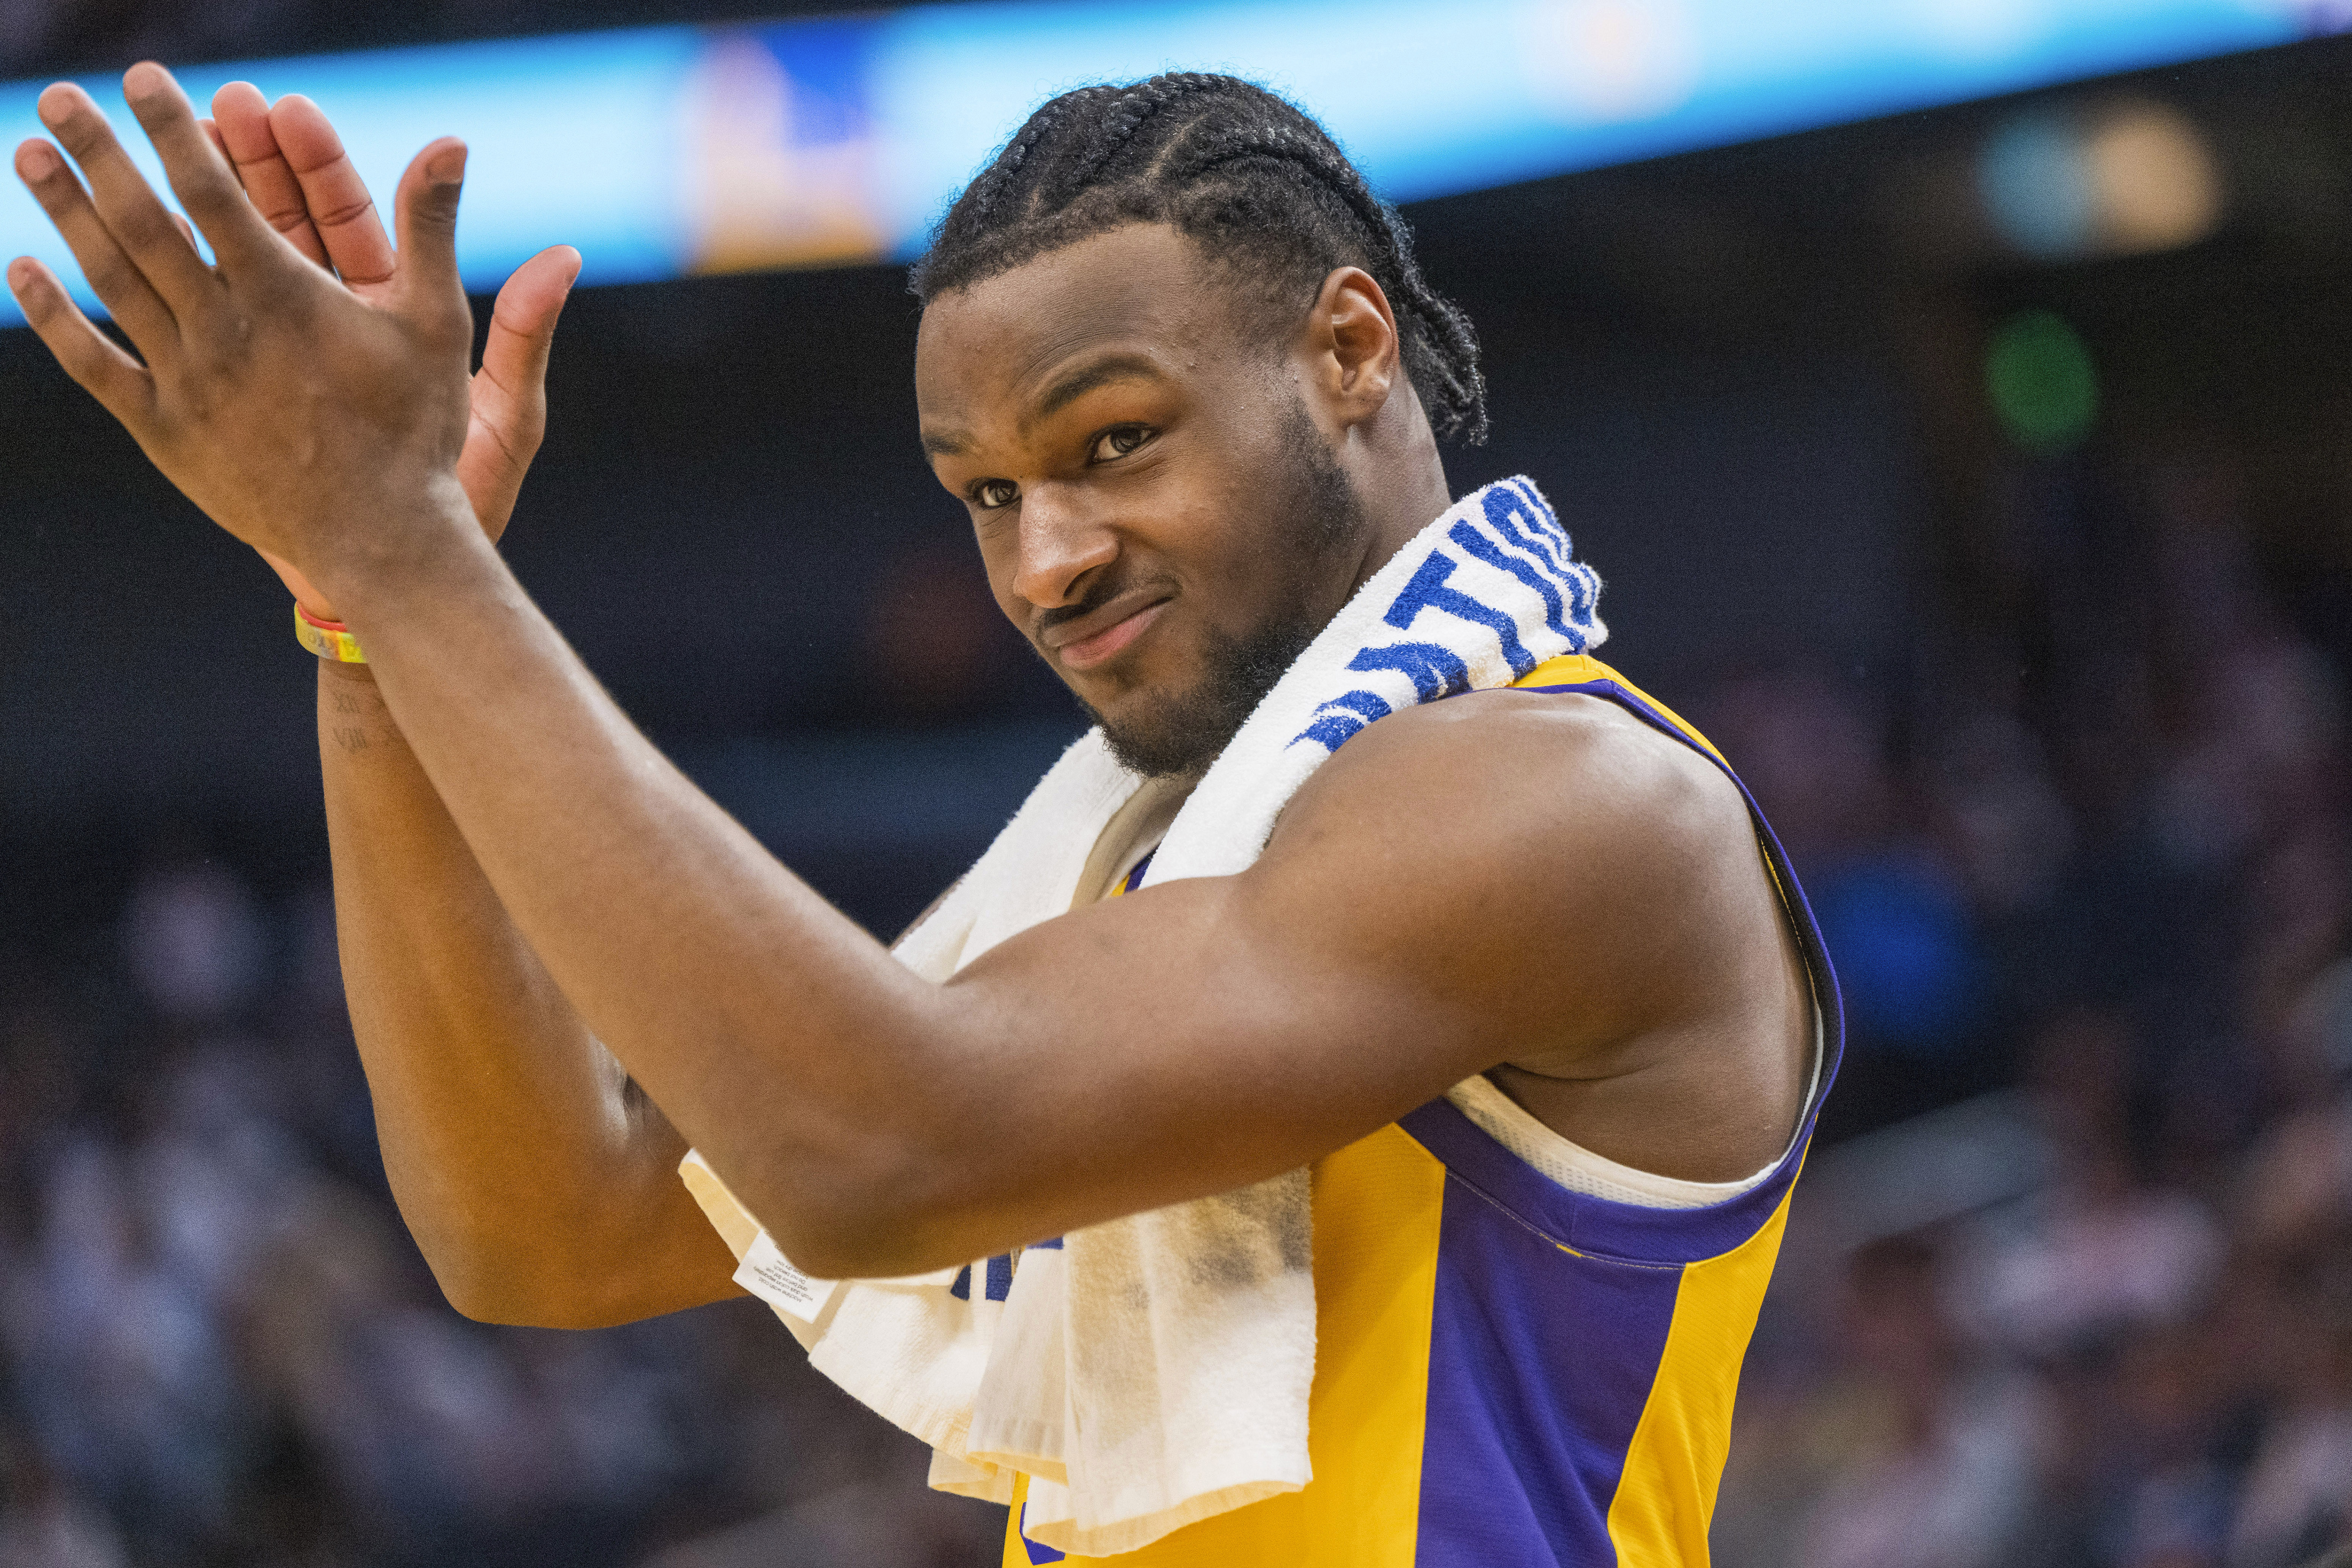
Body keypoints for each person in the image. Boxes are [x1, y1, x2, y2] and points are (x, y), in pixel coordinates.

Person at [8, 62, 1839, 1566]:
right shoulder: (1143, 853)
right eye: (983, 492)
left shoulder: (1564, 797)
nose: (1045, 561)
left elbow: (878, 1147)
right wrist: (359, 613)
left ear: (1348, 349)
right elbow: (543, 1223)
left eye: (1113, 440)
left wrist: (406, 551)